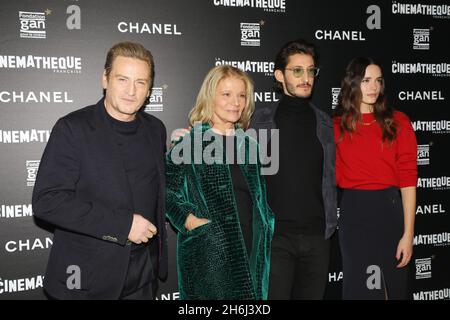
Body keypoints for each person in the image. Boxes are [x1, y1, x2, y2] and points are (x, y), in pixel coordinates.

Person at [32, 41, 167, 300]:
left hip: (144, 275)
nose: (131, 91)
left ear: (149, 89)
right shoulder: (72, 128)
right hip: (86, 280)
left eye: (140, 82)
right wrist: (123, 225)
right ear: (105, 79)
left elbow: (157, 189)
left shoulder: (155, 129)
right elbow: (47, 201)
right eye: (122, 79)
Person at [165, 65, 274, 300]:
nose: (235, 102)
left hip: (250, 252)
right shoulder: (190, 143)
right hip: (209, 257)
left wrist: (266, 225)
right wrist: (189, 220)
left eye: (241, 95)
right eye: (226, 94)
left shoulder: (250, 145)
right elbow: (165, 192)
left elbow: (257, 201)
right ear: (210, 97)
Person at [250, 39, 337, 299]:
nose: (306, 77)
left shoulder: (325, 123)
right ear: (279, 75)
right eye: (297, 71)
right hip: (276, 239)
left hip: (317, 239)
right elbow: (226, 149)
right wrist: (192, 136)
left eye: (311, 71)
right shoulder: (259, 122)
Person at [333, 57, 417, 299]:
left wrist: (408, 234)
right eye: (366, 80)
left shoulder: (398, 121)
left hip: (389, 211)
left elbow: (408, 180)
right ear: (352, 84)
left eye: (378, 81)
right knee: (358, 288)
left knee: (393, 288)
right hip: (353, 212)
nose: (373, 87)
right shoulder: (336, 125)